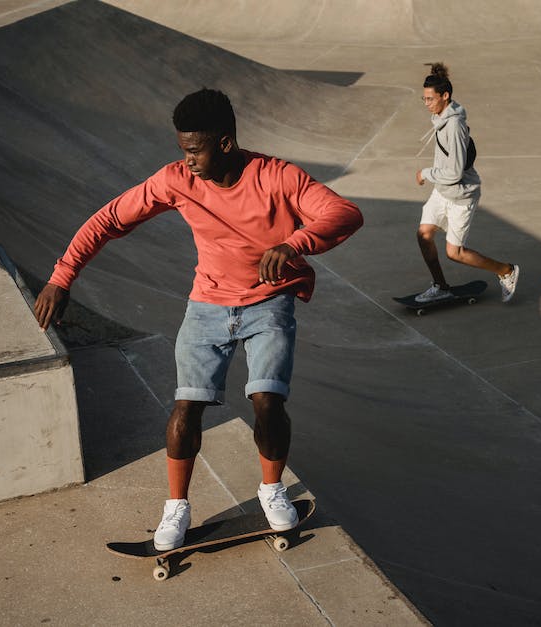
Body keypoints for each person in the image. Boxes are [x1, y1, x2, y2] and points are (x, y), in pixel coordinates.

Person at [33, 88, 363, 550]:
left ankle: (271, 490)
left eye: (194, 150)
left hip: (270, 301)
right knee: (187, 405)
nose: (187, 160)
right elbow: (109, 219)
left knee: (267, 399)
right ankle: (176, 508)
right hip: (207, 304)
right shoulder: (175, 181)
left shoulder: (277, 176)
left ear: (225, 144)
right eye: (182, 150)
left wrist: (293, 244)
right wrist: (61, 278)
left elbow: (344, 213)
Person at [414, 62, 520, 303]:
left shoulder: (454, 126)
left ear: (445, 96)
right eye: (424, 98)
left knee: (455, 253)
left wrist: (426, 173)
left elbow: (454, 172)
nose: (427, 104)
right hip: (443, 192)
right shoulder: (441, 116)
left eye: (431, 99)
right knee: (424, 235)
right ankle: (440, 286)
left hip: (461, 195)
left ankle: (506, 271)